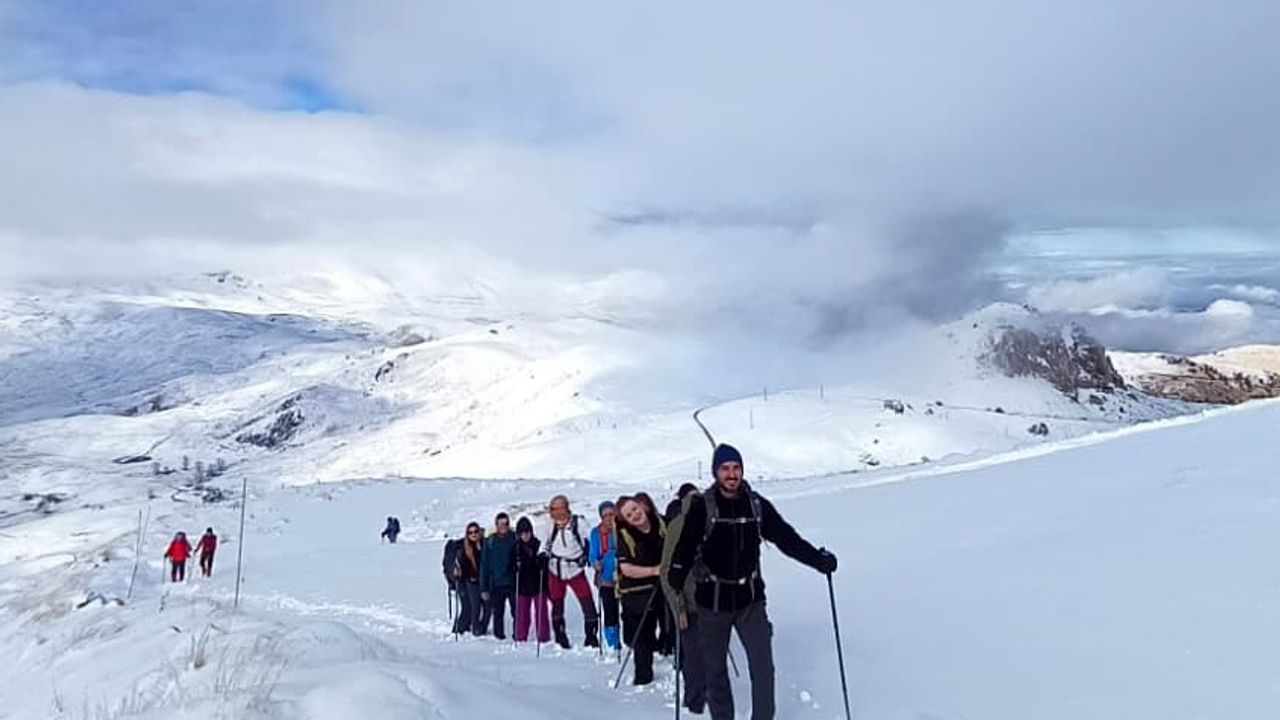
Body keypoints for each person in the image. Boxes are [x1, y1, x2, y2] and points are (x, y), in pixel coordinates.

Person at [668, 444, 838, 720]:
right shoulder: (703, 507)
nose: (731, 474)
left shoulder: (756, 505)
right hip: (712, 602)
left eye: (736, 468)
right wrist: (676, 572)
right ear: (715, 472)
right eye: (725, 468)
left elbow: (786, 538)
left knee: (763, 668)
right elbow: (685, 547)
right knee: (715, 671)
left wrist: (818, 560)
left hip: (750, 601)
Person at [662, 485, 707, 715]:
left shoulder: (719, 519)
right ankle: (695, 704)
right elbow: (668, 570)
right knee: (694, 656)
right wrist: (678, 607)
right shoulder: (679, 524)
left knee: (709, 654)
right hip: (690, 603)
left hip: (717, 603)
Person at [614, 495, 667, 686]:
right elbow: (626, 569)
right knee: (642, 637)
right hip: (636, 592)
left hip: (664, 587)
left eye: (635, 509)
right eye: (629, 515)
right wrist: (654, 570)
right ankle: (643, 679)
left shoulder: (661, 523)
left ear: (642, 506)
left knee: (672, 627)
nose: (635, 515)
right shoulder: (624, 535)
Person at [541, 494, 600, 649]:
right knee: (557, 604)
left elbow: (592, 538)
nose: (553, 512)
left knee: (587, 601)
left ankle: (591, 636)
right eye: (552, 508)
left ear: (565, 508)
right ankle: (560, 636)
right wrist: (542, 556)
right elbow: (544, 544)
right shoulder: (549, 525)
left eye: (556, 508)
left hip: (575, 569)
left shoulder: (578, 523)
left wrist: (591, 555)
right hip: (555, 569)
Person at [588, 500, 621, 650]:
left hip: (623, 577)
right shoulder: (596, 533)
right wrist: (595, 563)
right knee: (609, 610)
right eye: (605, 515)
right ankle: (612, 640)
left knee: (625, 610)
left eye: (611, 514)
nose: (608, 518)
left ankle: (626, 637)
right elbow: (592, 555)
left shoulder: (621, 530)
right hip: (605, 578)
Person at [480, 512, 518, 640]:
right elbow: (484, 565)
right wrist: (484, 587)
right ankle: (499, 637)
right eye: (501, 524)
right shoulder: (490, 541)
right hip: (496, 583)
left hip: (512, 582)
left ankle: (518, 635)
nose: (503, 526)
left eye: (506, 523)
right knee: (498, 613)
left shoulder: (515, 539)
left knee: (516, 612)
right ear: (496, 525)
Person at [513, 516, 550, 644]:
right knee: (522, 614)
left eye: (527, 532)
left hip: (538, 584)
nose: (525, 536)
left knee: (541, 613)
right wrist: (515, 567)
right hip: (522, 585)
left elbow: (546, 562)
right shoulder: (516, 548)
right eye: (522, 533)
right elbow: (510, 566)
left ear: (531, 532)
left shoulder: (538, 545)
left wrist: (543, 563)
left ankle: (543, 638)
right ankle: (520, 637)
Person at [455, 522, 486, 635]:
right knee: (475, 606)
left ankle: (481, 627)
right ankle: (475, 629)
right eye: (470, 532)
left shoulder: (485, 545)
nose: (473, 534)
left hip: (485, 581)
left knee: (487, 607)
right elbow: (464, 567)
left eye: (475, 531)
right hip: (471, 581)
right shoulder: (464, 549)